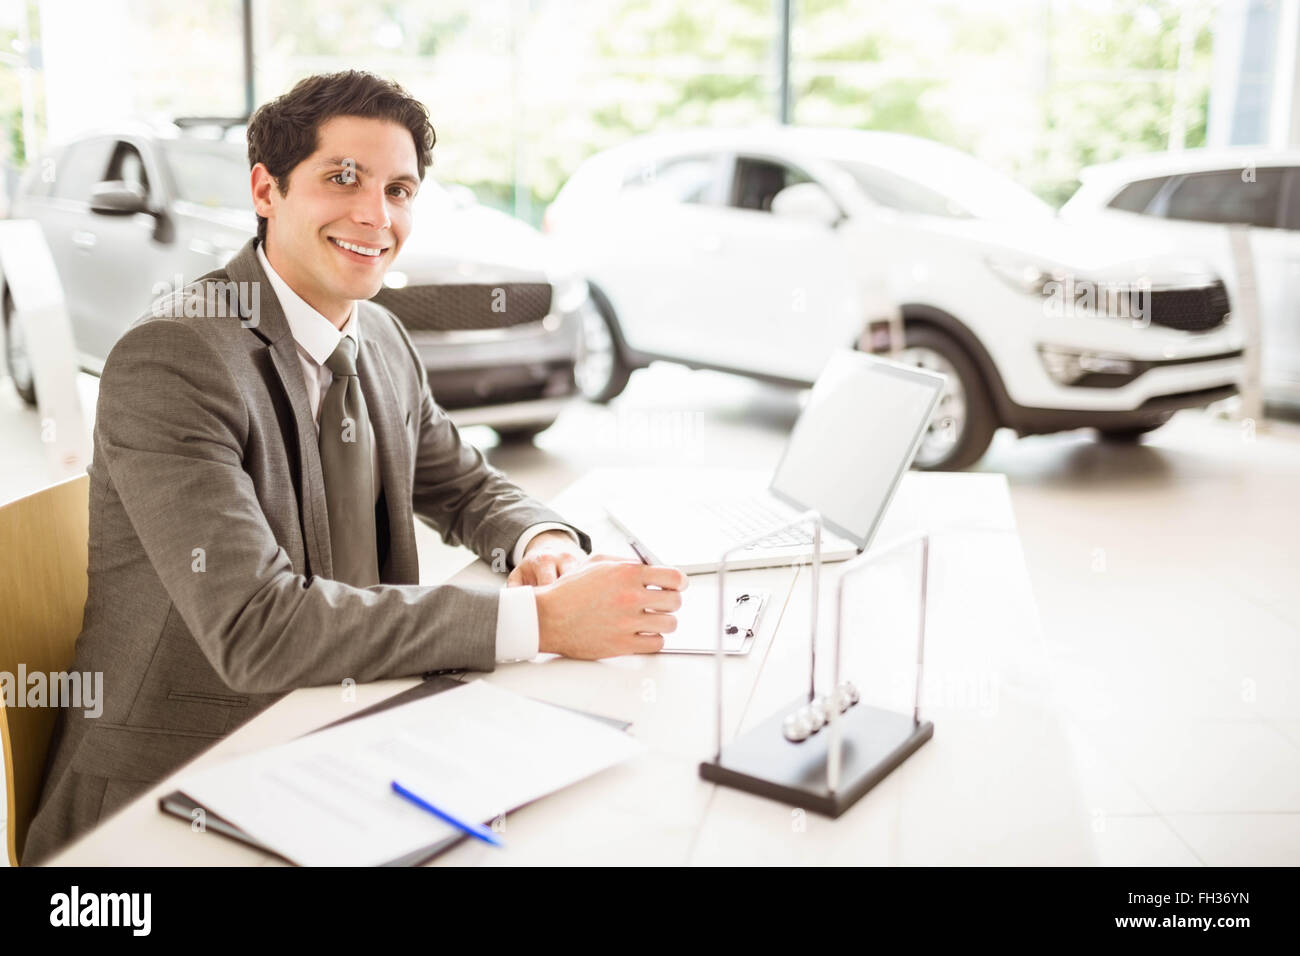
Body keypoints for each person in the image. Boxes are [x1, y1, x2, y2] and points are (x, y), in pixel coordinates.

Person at [21, 70, 686, 865]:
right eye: (344, 178)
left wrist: (541, 541)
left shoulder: (381, 338)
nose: (376, 215)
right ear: (267, 189)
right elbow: (255, 629)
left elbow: (461, 483)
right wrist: (541, 625)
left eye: (399, 189)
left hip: (348, 734)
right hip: (176, 791)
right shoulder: (175, 359)